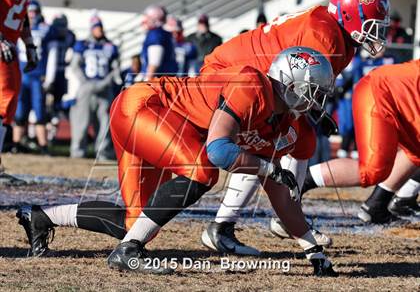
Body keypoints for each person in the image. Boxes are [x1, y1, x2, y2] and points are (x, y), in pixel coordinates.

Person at [17, 47, 339, 277]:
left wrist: (313, 249)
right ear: (289, 83)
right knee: (202, 168)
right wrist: (269, 168)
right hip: (145, 106)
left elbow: (280, 195)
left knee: (137, 223)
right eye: (312, 91)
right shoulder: (251, 85)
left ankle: (41, 217)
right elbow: (219, 151)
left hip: (168, 126)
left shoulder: (287, 126)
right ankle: (128, 252)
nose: (316, 101)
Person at [199, 0, 391, 254]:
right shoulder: (325, 35)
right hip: (231, 74)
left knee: (302, 141)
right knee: (270, 143)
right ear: (349, 15)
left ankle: (286, 217)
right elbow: (299, 85)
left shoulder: (338, 34)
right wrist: (313, 110)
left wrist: (316, 112)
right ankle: (224, 226)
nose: (377, 32)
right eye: (372, 23)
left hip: (257, 78)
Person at [301, 60, 420, 224]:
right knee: (371, 170)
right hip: (381, 92)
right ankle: (300, 181)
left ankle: (379, 204)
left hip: (397, 94)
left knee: (416, 151)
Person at [0, 0, 41, 184]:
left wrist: (29, 43)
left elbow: (20, 11)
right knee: (5, 97)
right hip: (3, 44)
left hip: (10, 45)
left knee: (10, 102)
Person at [69, 15, 119, 160]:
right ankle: (78, 151)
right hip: (86, 88)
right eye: (96, 27)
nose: (99, 30)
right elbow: (75, 65)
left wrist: (106, 82)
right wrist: (85, 82)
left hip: (104, 88)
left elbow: (115, 68)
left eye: (100, 27)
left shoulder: (110, 46)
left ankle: (103, 152)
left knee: (104, 122)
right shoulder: (82, 44)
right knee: (81, 121)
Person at [13, 0, 50, 155]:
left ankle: (43, 146)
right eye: (30, 11)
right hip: (22, 75)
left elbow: (53, 51)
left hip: (36, 76)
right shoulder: (17, 25)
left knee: (40, 112)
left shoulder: (46, 29)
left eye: (35, 11)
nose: (33, 15)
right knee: (19, 112)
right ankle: (15, 144)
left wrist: (49, 77)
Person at [140, 5, 177, 81]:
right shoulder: (163, 33)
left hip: (159, 80)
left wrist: (147, 80)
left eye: (148, 17)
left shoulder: (155, 34)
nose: (144, 20)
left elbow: (154, 62)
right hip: (167, 78)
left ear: (154, 19)